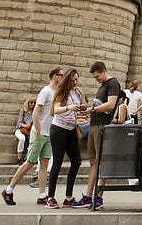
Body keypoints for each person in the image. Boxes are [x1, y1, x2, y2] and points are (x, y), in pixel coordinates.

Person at [3, 69, 60, 205]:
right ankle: (9, 190)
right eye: (60, 75)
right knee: (30, 162)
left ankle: (42, 194)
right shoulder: (45, 91)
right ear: (53, 76)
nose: (62, 77)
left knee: (44, 164)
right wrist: (38, 129)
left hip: (49, 133)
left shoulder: (56, 93)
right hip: (39, 133)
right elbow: (36, 112)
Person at [79, 60, 121, 210]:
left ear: (103, 71)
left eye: (97, 76)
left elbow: (110, 104)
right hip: (93, 124)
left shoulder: (112, 83)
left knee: (101, 161)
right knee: (93, 161)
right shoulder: (103, 85)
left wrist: (92, 110)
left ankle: (99, 196)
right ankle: (88, 195)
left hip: (102, 125)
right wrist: (89, 110)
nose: (96, 79)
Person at [46, 69, 87, 208]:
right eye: (73, 80)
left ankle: (68, 196)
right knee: (57, 162)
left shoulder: (76, 92)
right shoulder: (61, 92)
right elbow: (55, 109)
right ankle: (50, 196)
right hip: (59, 128)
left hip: (71, 129)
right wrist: (69, 107)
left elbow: (82, 108)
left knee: (76, 161)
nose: (75, 82)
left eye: (77, 80)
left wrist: (82, 95)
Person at [15, 98, 35, 165]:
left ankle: (27, 158)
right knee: (22, 139)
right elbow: (18, 123)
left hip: (29, 131)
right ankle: (19, 158)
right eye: (31, 102)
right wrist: (25, 125)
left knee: (33, 141)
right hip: (20, 130)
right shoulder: (23, 111)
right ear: (28, 103)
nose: (32, 104)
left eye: (34, 103)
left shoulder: (35, 112)